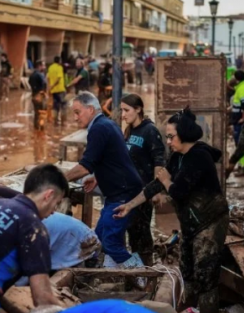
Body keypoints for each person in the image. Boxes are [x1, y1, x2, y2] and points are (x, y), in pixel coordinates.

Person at [113, 108, 229, 313]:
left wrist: (166, 180)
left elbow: (178, 192)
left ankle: (208, 309)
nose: (168, 141)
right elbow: (154, 186)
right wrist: (129, 205)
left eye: (171, 137)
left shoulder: (200, 157)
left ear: (184, 134)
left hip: (210, 221)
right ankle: (190, 308)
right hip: (191, 222)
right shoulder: (177, 157)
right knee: (186, 269)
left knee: (205, 273)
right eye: (167, 136)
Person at [64, 92, 145, 271]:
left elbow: (85, 166)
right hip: (120, 191)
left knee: (109, 243)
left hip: (123, 193)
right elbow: (113, 158)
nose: (75, 118)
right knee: (98, 239)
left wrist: (58, 180)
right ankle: (109, 274)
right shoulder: (106, 124)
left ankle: (141, 276)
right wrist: (98, 177)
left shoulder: (99, 128)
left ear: (90, 109)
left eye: (78, 112)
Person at [0, 164, 68, 313]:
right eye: (57, 203)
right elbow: (43, 300)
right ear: (48, 195)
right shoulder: (33, 227)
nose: (54, 211)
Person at [121, 94, 166, 266]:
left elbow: (159, 160)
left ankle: (146, 268)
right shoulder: (129, 130)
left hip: (144, 191)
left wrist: (156, 191)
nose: (123, 115)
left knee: (142, 231)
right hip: (130, 191)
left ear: (138, 109)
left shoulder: (150, 130)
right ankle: (136, 267)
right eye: (122, 110)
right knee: (132, 231)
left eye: (127, 110)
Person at [15, 212, 101, 286]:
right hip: (79, 235)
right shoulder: (27, 219)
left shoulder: (32, 232)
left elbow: (31, 265)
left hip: (83, 245)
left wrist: (14, 287)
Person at [230, 70, 244, 177]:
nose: (231, 79)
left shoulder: (242, 89)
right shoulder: (241, 87)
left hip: (240, 120)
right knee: (240, 144)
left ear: (236, 78)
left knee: (241, 145)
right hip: (238, 120)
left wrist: (243, 118)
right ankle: (241, 166)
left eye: (233, 77)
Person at [47, 56, 67, 126]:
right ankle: (63, 123)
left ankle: (55, 122)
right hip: (61, 90)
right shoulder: (59, 67)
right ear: (59, 61)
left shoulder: (50, 67)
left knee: (55, 106)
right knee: (63, 106)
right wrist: (52, 86)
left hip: (53, 91)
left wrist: (49, 88)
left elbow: (48, 78)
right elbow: (58, 79)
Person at [29, 60, 48, 130]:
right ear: (39, 66)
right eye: (43, 65)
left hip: (34, 95)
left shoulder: (32, 74)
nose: (44, 67)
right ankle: (41, 128)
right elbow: (44, 84)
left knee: (36, 112)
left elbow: (29, 82)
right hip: (40, 95)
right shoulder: (40, 75)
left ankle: (36, 127)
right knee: (42, 112)